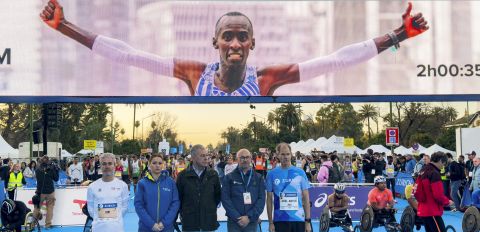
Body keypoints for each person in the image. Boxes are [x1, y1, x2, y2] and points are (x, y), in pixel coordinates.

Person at [40, 1, 428, 97]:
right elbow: (127, 54)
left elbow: (335, 60)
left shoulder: (267, 80)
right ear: (216, 43)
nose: (236, 43)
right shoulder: (195, 74)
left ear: (253, 44)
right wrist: (65, 27)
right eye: (228, 36)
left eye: (243, 37)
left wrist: (397, 35)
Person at [266, 143, 311, 232]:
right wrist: (270, 222)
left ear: (291, 154)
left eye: (287, 154)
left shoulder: (300, 172)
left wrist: (307, 221)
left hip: (298, 218)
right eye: (282, 154)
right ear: (277, 155)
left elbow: (306, 198)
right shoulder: (272, 174)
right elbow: (268, 199)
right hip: (280, 219)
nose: (285, 157)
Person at [176, 144, 221, 232]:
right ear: (193, 158)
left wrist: (208, 209)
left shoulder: (213, 175)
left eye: (207, 155)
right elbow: (178, 199)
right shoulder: (183, 176)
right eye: (202, 156)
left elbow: (217, 197)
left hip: (208, 221)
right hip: (190, 221)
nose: (206, 158)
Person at [221, 148, 265, 232]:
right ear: (237, 160)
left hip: (251, 222)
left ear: (251, 159)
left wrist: (249, 217)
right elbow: (225, 199)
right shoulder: (229, 178)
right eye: (242, 157)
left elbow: (261, 200)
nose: (245, 160)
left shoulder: (258, 178)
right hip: (234, 222)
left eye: (247, 157)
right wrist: (237, 217)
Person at [409, 152, 454, 232]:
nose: (443, 167)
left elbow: (416, 191)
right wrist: (448, 201)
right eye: (443, 164)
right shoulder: (434, 173)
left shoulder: (423, 171)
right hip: (432, 211)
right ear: (440, 160)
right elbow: (438, 195)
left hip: (423, 210)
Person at [134, 154, 180, 232]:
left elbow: (175, 203)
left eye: (160, 163)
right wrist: (151, 224)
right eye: (154, 163)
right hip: (146, 229)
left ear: (164, 165)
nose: (157, 165)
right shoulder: (142, 183)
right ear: (149, 165)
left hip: (166, 228)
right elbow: (138, 205)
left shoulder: (170, 182)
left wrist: (164, 223)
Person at [87, 153, 129, 232]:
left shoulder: (122, 185)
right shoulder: (93, 186)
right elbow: (90, 208)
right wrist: (100, 219)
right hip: (98, 231)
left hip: (116, 230)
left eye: (110, 164)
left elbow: (125, 207)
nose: (107, 166)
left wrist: (114, 219)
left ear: (115, 165)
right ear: (100, 166)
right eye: (104, 164)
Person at [33, 155, 58, 229]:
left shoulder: (37, 169)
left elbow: (37, 178)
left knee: (37, 208)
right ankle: (48, 225)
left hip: (40, 191)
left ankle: (32, 225)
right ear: (48, 161)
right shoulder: (51, 169)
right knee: (50, 208)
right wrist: (56, 170)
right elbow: (56, 179)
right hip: (50, 191)